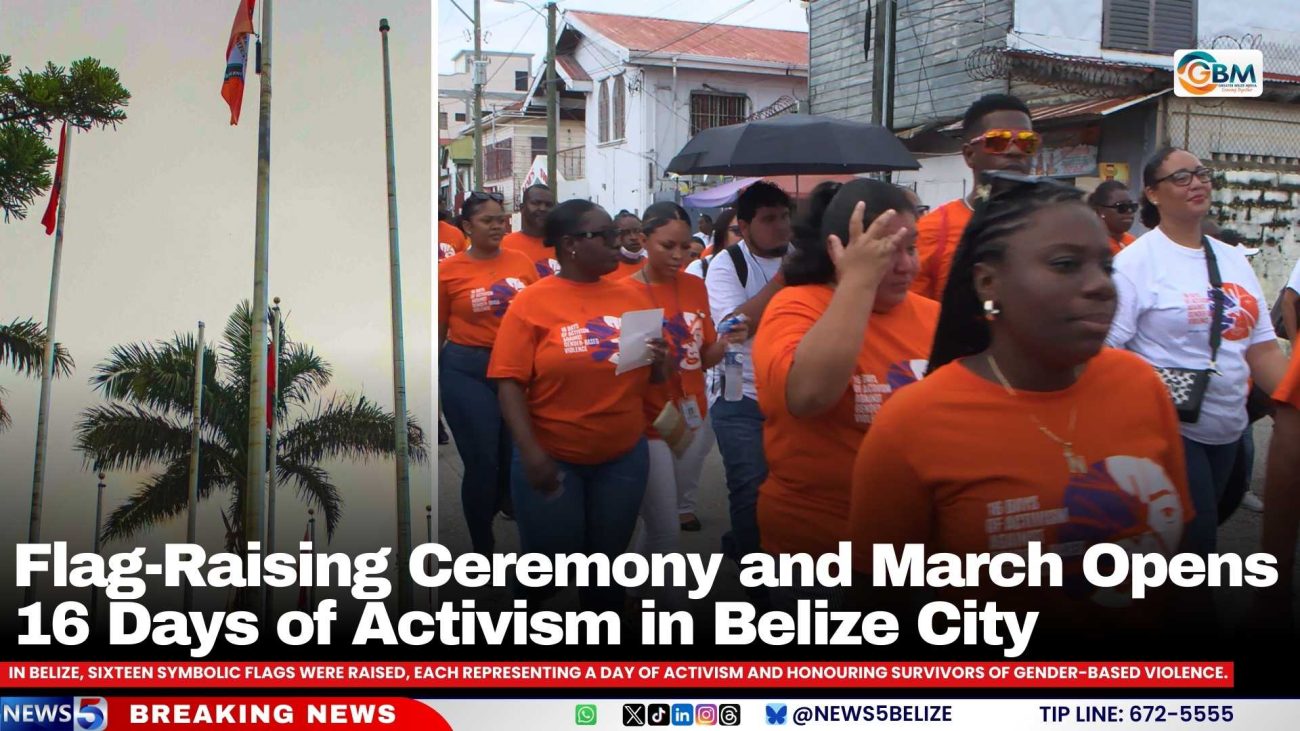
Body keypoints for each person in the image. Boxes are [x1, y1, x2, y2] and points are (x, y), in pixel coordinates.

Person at [848, 175, 1193, 632]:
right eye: (1066, 264)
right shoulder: (913, 421)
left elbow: (1182, 568)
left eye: (1105, 267)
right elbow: (881, 608)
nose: (1101, 287)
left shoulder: (1139, 383)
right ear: (989, 282)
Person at [1107, 147, 1289, 554]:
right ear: (1153, 194)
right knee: (1196, 544)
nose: (1198, 183)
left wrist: (1291, 402)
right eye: (1182, 177)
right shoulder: (1136, 263)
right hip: (1169, 428)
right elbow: (1106, 351)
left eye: (1202, 174)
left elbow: (1260, 348)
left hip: (1229, 424)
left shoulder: (1231, 258)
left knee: (1206, 529)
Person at [488, 199, 667, 612]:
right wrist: (531, 453)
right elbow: (508, 383)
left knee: (606, 572)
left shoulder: (635, 296)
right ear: (570, 244)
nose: (617, 244)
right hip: (554, 456)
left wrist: (662, 361)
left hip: (622, 457)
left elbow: (654, 378)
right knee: (547, 571)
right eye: (604, 236)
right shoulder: (532, 302)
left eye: (620, 234)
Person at [752, 180, 937, 578]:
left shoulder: (933, 316)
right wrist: (856, 282)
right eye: (886, 251)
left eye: (912, 247)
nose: (907, 266)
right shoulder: (795, 306)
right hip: (821, 551)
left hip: (917, 552)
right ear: (840, 250)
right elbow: (808, 396)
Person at [621, 201, 748, 554]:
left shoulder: (694, 287)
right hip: (647, 422)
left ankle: (629, 593)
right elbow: (620, 370)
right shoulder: (620, 292)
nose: (678, 255)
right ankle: (656, 605)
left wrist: (726, 341)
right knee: (665, 526)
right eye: (667, 246)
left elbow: (702, 357)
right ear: (644, 241)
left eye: (683, 246)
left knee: (661, 518)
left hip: (690, 415)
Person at [438, 191, 539, 553]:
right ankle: (482, 545)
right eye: (487, 220)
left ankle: (508, 503)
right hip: (467, 370)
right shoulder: (447, 272)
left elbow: (536, 319)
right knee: (482, 460)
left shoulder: (522, 263)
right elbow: (438, 328)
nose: (497, 226)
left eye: (501, 219)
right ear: (467, 226)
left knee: (513, 456)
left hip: (516, 370)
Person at [702, 180, 792, 566]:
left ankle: (751, 546)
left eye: (786, 217)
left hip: (790, 392)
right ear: (744, 224)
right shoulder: (726, 264)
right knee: (749, 487)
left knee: (789, 489)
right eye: (770, 219)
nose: (781, 227)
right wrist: (784, 281)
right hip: (740, 395)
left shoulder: (805, 255)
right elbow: (732, 326)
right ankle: (758, 585)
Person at [912, 94, 1037, 301]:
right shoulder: (933, 231)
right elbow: (913, 317)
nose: (1015, 151)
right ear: (970, 155)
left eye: (1027, 142)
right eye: (999, 141)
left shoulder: (1053, 226)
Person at [501, 184, 558, 278]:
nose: (543, 208)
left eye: (549, 205)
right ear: (522, 208)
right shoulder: (502, 245)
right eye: (536, 203)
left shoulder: (565, 246)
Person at [685, 209, 739, 279]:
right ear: (722, 233)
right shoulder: (698, 268)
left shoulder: (755, 268)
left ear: (709, 223)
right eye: (737, 231)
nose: (699, 226)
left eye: (701, 223)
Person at [1087, 180, 1138, 255]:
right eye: (1121, 207)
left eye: (1132, 206)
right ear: (1100, 210)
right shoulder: (1092, 246)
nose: (1129, 211)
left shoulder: (1134, 242)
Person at [609, 210, 647, 279]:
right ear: (614, 235)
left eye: (637, 231)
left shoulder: (652, 266)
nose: (634, 237)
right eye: (625, 233)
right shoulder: (607, 270)